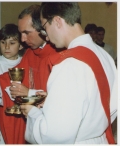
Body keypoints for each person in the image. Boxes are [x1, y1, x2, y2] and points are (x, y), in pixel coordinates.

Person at [20, 2, 117, 144]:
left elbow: (55, 135)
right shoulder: (103, 55)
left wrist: (32, 113)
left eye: (45, 27)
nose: (46, 36)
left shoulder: (69, 64)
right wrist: (53, 101)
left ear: (58, 21)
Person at [0, 5, 59, 144]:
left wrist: (30, 94)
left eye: (26, 33)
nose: (23, 39)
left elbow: (62, 98)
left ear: (42, 29)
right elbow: (8, 80)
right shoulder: (30, 54)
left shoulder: (58, 54)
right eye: (21, 34)